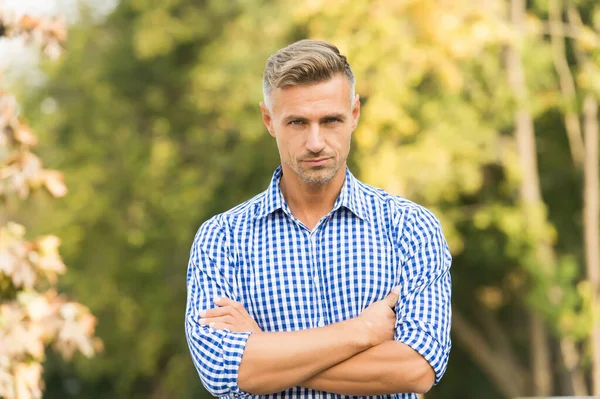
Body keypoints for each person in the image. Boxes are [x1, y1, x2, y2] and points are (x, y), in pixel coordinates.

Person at [184, 39, 452, 399]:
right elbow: (221, 370)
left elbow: (416, 368)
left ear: (354, 115)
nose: (315, 142)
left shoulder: (410, 228)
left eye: (331, 121)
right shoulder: (221, 239)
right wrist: (362, 332)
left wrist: (264, 349)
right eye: (297, 122)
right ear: (269, 120)